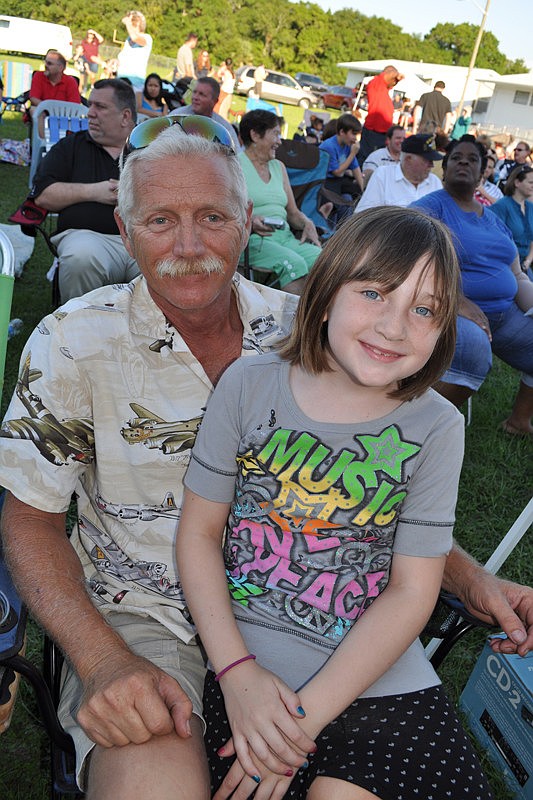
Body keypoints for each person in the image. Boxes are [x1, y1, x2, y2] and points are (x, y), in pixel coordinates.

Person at [1, 118, 532, 800]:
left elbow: (366, 495)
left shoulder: (310, 329)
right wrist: (102, 660)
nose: (188, 245)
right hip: (146, 615)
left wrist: (466, 578)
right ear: (125, 233)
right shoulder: (73, 342)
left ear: (250, 221)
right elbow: (29, 519)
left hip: (309, 619)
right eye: (160, 220)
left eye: (213, 217)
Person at [177, 206, 494, 800]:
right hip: (247, 672)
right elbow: (198, 536)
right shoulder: (248, 385)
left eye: (424, 309)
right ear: (324, 295)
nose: (395, 327)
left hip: (376, 680)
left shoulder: (437, 426)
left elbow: (412, 590)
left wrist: (305, 721)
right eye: (374, 292)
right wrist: (239, 675)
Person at [412, 135, 533, 436]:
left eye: (472, 159)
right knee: (474, 350)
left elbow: (517, 276)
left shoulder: (493, 220)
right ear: (445, 169)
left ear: (482, 174)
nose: (463, 162)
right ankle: (414, 428)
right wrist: (456, 299)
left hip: (504, 316)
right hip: (448, 311)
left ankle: (518, 422)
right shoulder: (429, 209)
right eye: (456, 158)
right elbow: (407, 261)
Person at [31, 79, 139, 303]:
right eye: (90, 105)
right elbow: (43, 196)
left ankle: (152, 335)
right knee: (82, 257)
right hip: (87, 237)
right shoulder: (71, 146)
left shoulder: (147, 151)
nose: (90, 113)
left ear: (125, 116)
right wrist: (95, 192)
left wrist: (133, 194)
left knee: (166, 264)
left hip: (142, 238)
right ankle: (79, 333)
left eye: (100, 106)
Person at [239, 109, 321, 295]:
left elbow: (292, 212)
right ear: (255, 135)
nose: (280, 141)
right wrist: (250, 221)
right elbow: (225, 212)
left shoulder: (278, 167)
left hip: (284, 236)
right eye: (275, 133)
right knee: (294, 264)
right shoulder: (234, 165)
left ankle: (320, 320)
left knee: (324, 260)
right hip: (252, 240)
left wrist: (306, 223)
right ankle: (290, 322)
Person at [356, 132, 443, 213]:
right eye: (427, 160)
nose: (432, 165)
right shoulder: (384, 176)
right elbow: (363, 215)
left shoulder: (434, 182)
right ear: (408, 159)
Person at [168, 76, 240, 151]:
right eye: (194, 92)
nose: (195, 97)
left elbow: (237, 153)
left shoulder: (224, 128)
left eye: (202, 94)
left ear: (214, 101)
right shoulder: (176, 117)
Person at [489, 164, 533, 275]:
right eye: (531, 182)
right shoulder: (501, 206)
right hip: (505, 266)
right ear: (517, 183)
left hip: (525, 266)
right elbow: (495, 240)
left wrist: (527, 261)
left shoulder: (531, 207)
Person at [318, 113, 364, 218]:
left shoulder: (347, 145)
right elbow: (337, 172)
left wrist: (364, 191)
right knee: (341, 203)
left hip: (337, 182)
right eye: (353, 134)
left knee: (355, 194)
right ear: (342, 132)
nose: (355, 139)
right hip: (324, 182)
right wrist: (353, 154)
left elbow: (356, 169)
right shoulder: (329, 146)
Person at [358, 65, 404, 164]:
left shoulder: (384, 90)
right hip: (374, 131)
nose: (394, 83)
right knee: (367, 159)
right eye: (394, 80)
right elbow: (389, 74)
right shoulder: (375, 83)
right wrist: (397, 74)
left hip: (382, 133)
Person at [29, 49, 81, 127]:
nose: (45, 65)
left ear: (61, 68)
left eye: (49, 63)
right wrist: (49, 109)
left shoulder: (70, 82)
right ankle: (41, 139)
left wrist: (56, 111)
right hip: (44, 112)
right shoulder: (38, 76)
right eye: (45, 62)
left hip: (64, 115)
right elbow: (33, 98)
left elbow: (74, 105)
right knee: (34, 110)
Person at [116, 10, 153, 88]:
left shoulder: (147, 38)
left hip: (135, 83)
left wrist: (128, 22)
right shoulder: (128, 39)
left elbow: (135, 37)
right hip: (121, 79)